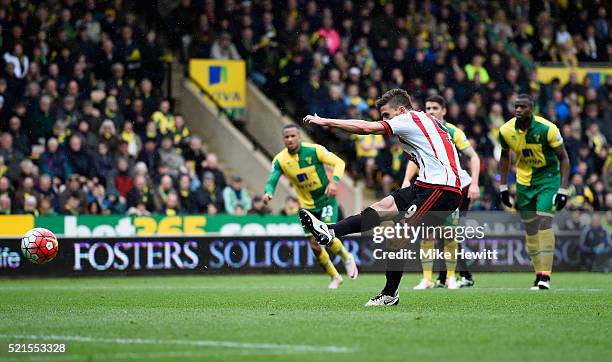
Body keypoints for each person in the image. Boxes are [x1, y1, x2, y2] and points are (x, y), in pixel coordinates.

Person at [301, 89, 463, 305]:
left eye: (387, 115)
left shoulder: (409, 119)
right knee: (383, 206)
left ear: (402, 110)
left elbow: (366, 128)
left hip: (442, 188)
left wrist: (325, 121)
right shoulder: (422, 121)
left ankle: (389, 294)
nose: (383, 120)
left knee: (397, 236)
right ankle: (330, 231)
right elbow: (424, 157)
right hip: (426, 184)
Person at [263, 124, 357, 289]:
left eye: (293, 136)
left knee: (326, 236)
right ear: (283, 139)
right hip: (307, 207)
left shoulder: (315, 151)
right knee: (314, 245)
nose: (290, 139)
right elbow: (273, 179)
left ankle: (346, 257)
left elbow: (339, 163)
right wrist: (268, 192)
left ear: (299, 137)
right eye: (287, 137)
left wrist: (334, 182)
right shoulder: (280, 160)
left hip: (326, 201)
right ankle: (335, 277)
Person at [403, 95, 480, 290]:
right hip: (429, 187)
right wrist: (406, 180)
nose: (431, 111)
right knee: (428, 233)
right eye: (428, 108)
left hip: (456, 188)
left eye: (435, 108)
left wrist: (475, 184)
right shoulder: (420, 130)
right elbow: (414, 159)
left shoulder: (453, 131)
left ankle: (451, 277)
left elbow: (474, 157)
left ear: (444, 111)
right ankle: (429, 279)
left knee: (449, 233)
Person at [498, 94, 570, 290]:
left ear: (533, 108)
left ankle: (546, 276)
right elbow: (505, 157)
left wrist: (563, 189)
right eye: (516, 106)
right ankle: (538, 274)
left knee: (544, 220)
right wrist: (503, 186)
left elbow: (564, 158)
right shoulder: (505, 130)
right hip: (523, 183)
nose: (518, 110)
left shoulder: (548, 129)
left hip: (548, 179)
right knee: (530, 228)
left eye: (523, 106)